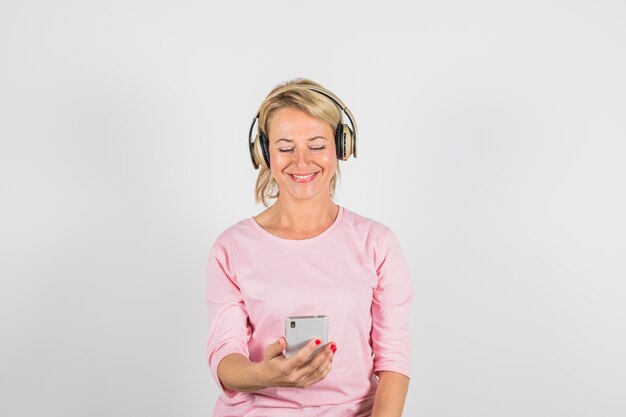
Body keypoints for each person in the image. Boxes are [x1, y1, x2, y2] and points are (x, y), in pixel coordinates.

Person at [205, 78, 413, 417]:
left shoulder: (377, 242)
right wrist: (264, 374)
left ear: (340, 148)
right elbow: (225, 356)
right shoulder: (231, 248)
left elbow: (394, 360)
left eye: (316, 145)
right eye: (286, 147)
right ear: (265, 153)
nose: (302, 162)